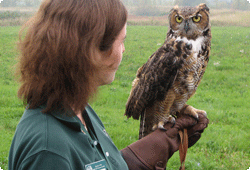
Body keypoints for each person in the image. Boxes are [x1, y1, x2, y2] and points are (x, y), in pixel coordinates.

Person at [8, 0, 209, 169]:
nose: (123, 50)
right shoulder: (48, 151)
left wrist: (150, 150)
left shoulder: (78, 110)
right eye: (121, 41)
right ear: (89, 49)